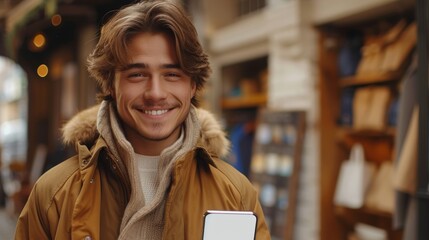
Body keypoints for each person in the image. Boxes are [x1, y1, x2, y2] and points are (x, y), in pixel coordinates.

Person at [14, 1, 270, 239]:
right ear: (111, 85)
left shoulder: (236, 194)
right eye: (137, 75)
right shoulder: (53, 194)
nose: (155, 93)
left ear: (193, 85)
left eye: (172, 74)